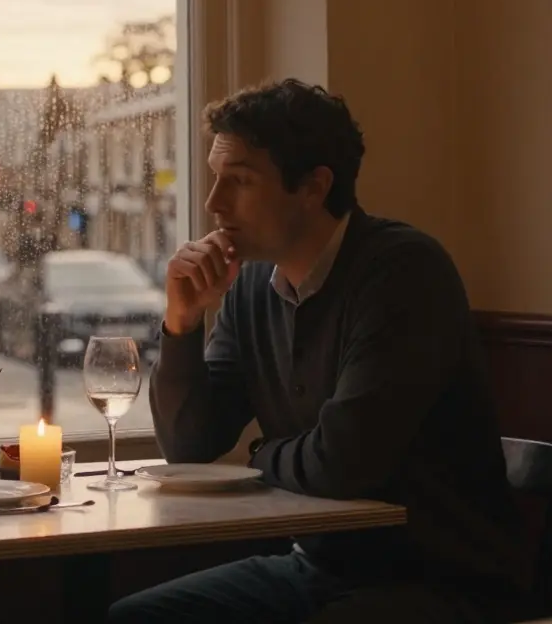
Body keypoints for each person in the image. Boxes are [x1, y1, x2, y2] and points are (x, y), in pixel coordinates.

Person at [110, 80, 527, 623]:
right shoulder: (251, 285)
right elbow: (190, 446)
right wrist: (182, 323)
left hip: (440, 579)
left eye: (240, 180)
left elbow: (343, 463)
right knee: (136, 617)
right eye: (216, 178)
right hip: (319, 569)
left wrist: (260, 455)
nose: (214, 203)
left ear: (313, 186)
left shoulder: (404, 272)